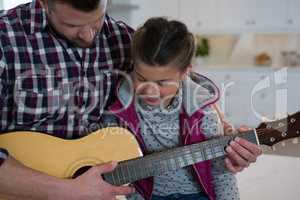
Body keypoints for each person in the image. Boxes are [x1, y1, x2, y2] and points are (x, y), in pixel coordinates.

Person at [0, 0, 261, 199]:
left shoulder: (123, 38)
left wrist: (227, 133)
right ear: (44, 3)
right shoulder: (5, 39)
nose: (89, 36)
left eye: (97, 20)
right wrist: (68, 190)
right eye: (72, 26)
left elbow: (186, 83)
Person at [108, 17, 261, 200]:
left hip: (195, 195)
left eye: (162, 82)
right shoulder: (119, 110)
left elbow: (221, 173)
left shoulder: (203, 113)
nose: (148, 90)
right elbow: (116, 165)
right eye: (141, 78)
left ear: (184, 72)